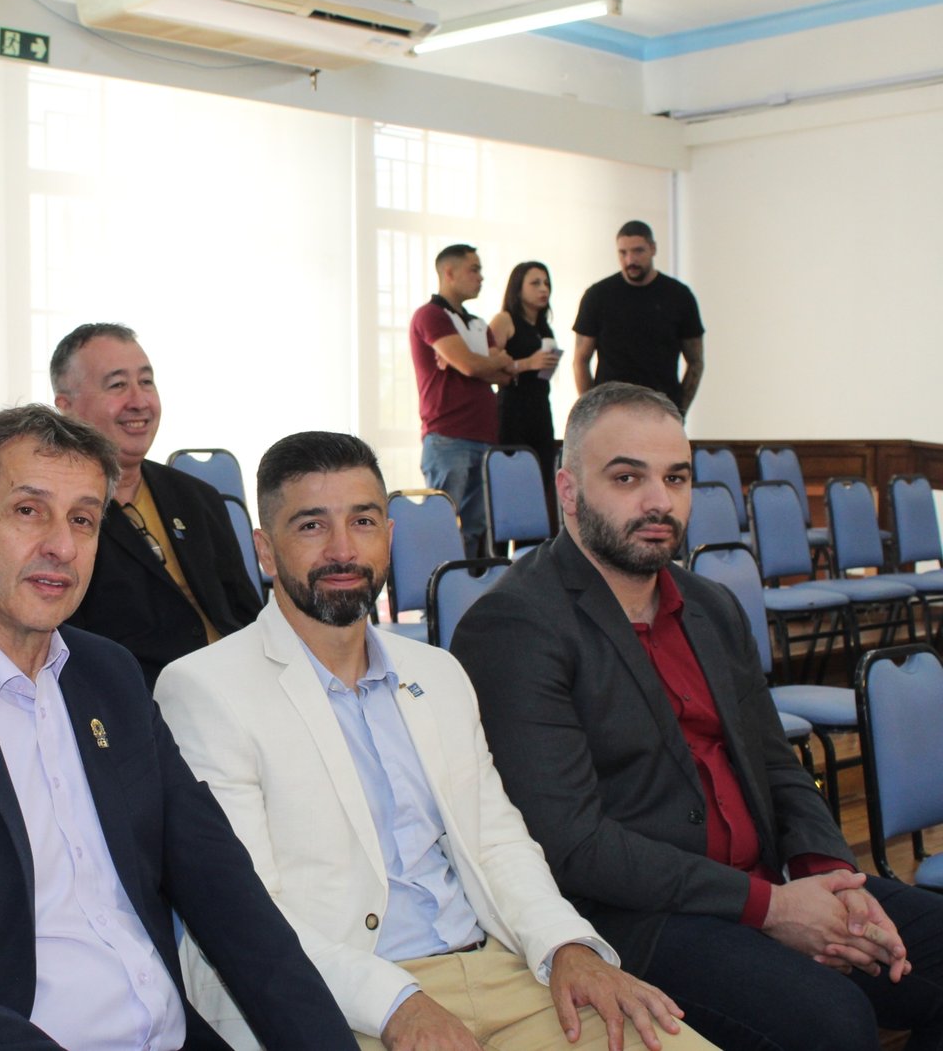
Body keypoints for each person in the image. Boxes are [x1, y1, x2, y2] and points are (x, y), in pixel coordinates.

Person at [0, 404, 356, 1051]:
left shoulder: (111, 678)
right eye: (29, 511)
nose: (62, 546)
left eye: (83, 519)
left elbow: (229, 897)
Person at [156, 430, 710, 1051]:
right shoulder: (205, 689)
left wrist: (567, 946)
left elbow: (496, 840)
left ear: (389, 536)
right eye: (311, 526)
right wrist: (397, 1005)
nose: (343, 549)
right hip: (335, 998)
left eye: (363, 521)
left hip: (497, 969)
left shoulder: (438, 674)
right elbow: (244, 909)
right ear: (265, 550)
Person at [451, 382, 943, 1051]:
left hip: (767, 881)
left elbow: (775, 763)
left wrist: (827, 871)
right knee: (832, 1021)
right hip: (639, 917)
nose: (659, 501)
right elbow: (573, 842)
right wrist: (770, 908)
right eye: (627, 477)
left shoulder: (711, 605)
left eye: (676, 478)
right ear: (568, 490)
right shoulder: (516, 624)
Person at [50, 322, 261, 689]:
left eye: (146, 382)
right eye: (117, 385)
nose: (139, 401)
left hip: (241, 685)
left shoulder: (196, 497)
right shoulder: (60, 515)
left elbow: (247, 616)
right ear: (66, 407)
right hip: (143, 698)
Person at [410, 245, 559, 557]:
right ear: (449, 273)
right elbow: (472, 366)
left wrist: (483, 363)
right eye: (474, 269)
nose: (481, 277)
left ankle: (467, 586)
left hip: (484, 435)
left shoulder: (477, 323)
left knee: (477, 527)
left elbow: (504, 375)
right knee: (443, 523)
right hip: (448, 435)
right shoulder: (430, 315)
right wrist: (481, 362)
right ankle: (437, 587)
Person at [572, 221, 704, 416]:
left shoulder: (679, 296)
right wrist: (590, 413)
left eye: (638, 251)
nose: (630, 260)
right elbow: (580, 360)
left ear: (653, 249)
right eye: (623, 253)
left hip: (661, 411)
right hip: (610, 411)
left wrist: (680, 411)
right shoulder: (597, 296)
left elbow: (695, 362)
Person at [489, 260, 561, 525]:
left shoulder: (543, 327)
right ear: (518, 288)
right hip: (513, 408)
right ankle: (501, 543)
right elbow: (490, 363)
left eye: (547, 283)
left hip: (540, 406)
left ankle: (531, 543)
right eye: (535, 283)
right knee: (511, 482)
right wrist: (527, 363)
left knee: (540, 479)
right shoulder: (504, 320)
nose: (544, 289)